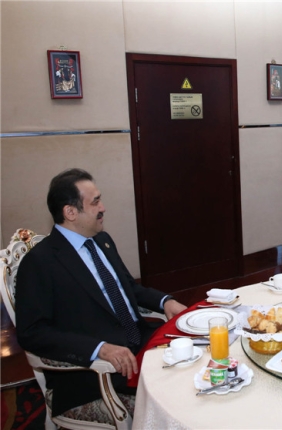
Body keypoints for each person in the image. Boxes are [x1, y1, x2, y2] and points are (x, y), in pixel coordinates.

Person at [16, 168, 187, 416]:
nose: (103, 207)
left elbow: (128, 288)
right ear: (70, 212)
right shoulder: (40, 262)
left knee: (200, 363)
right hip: (98, 370)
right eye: (95, 202)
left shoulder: (102, 240)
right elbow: (33, 333)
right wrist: (100, 348)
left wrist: (165, 301)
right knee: (179, 395)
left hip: (140, 341)